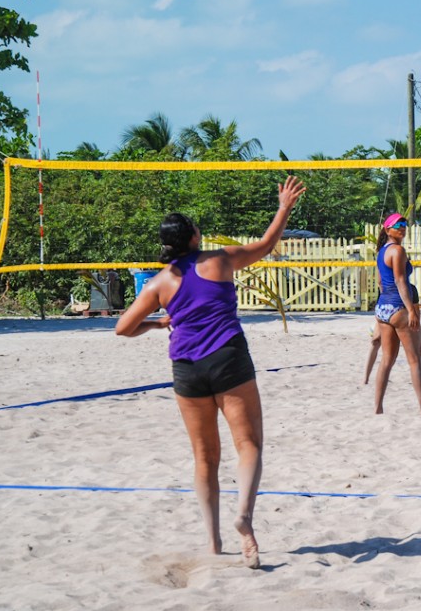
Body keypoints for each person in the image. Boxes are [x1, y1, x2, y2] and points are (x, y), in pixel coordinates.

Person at [115, 176, 307, 569]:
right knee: (248, 445)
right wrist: (284, 207)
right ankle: (244, 517)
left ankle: (213, 542)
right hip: (228, 358)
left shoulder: (158, 284)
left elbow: (123, 328)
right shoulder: (218, 260)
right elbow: (266, 245)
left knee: (205, 458)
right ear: (193, 237)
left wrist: (157, 324)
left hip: (187, 370)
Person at [372, 213, 421, 415]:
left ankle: (378, 408)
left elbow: (380, 282)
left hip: (383, 307)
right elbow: (400, 281)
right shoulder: (398, 250)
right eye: (398, 225)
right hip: (398, 307)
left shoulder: (381, 251)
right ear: (387, 229)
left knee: (386, 360)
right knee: (414, 359)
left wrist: (386, 301)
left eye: (404, 225)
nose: (402, 228)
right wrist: (411, 310)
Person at [364, 283, 421, 385]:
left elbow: (416, 311)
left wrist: (417, 329)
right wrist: (377, 327)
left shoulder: (411, 289)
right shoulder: (384, 288)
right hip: (387, 319)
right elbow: (379, 309)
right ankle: (365, 379)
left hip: (404, 321)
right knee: (375, 343)